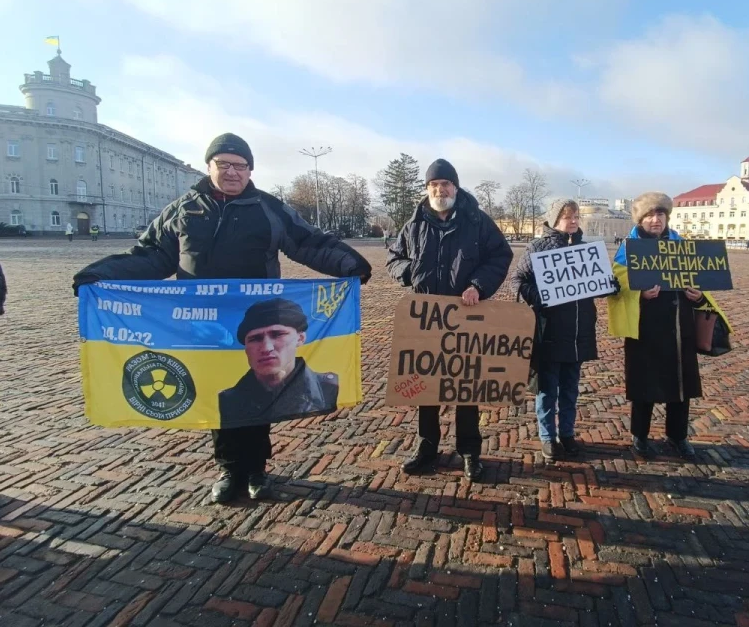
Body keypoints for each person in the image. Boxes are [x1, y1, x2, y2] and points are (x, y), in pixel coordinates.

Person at [73, 133, 372, 503]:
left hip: (256, 318)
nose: (232, 172)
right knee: (222, 392)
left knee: (263, 390)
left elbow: (308, 241)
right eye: (224, 164)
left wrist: (350, 264)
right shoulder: (184, 209)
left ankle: (258, 469)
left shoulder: (267, 208)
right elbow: (152, 255)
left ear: (250, 170)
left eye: (240, 165)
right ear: (209, 167)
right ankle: (230, 469)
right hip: (202, 323)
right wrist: (102, 275)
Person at [386, 158, 512, 481]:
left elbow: (501, 255)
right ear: (427, 189)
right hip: (426, 319)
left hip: (467, 318)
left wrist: (478, 286)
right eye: (434, 185)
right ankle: (427, 448)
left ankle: (470, 452)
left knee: (465, 387)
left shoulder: (477, 221)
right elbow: (394, 257)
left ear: (455, 187)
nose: (440, 190)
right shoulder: (414, 224)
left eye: (445, 184)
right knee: (425, 387)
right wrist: (408, 273)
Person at [608, 193, 730, 460]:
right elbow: (617, 284)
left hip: (679, 327)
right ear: (642, 219)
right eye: (650, 215)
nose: (656, 220)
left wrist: (697, 296)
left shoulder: (681, 245)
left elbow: (699, 280)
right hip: (646, 328)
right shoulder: (629, 248)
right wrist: (639, 295)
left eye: (660, 215)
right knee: (644, 384)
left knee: (680, 385)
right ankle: (639, 435)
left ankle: (678, 435)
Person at [512, 198, 612, 463]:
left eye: (577, 217)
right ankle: (547, 436)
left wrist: (609, 285)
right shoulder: (537, 247)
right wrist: (538, 295)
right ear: (556, 219)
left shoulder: (586, 249)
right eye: (569, 217)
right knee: (547, 389)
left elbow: (598, 283)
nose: (574, 221)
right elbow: (517, 281)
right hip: (549, 331)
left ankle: (567, 434)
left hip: (579, 331)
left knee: (571, 388)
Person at [219, 298, 340, 427]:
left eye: (277, 335)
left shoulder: (330, 387)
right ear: (246, 348)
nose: (266, 348)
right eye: (255, 339)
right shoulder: (227, 401)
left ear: (300, 338)